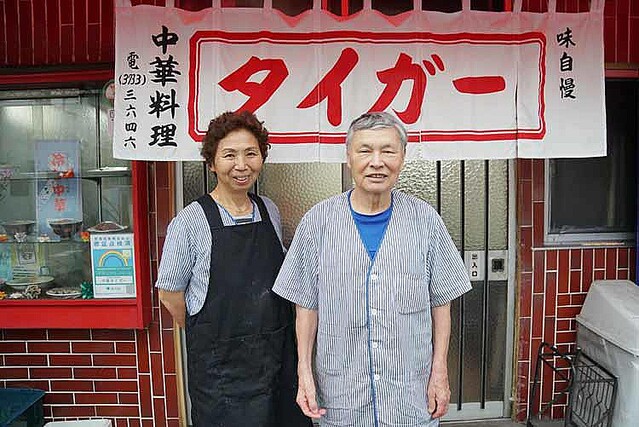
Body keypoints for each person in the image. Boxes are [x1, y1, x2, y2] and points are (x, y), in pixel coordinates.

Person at [273, 112, 472, 426]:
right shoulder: (318, 222)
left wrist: (440, 372)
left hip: (409, 393)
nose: (376, 162)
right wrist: (304, 374)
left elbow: (441, 302)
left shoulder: (425, 221)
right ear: (349, 156)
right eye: (365, 150)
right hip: (343, 393)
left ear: (402, 158)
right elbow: (306, 306)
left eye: (388, 151)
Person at [155, 111, 311, 427]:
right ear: (212, 163)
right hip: (221, 373)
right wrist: (208, 330)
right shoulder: (191, 221)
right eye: (229, 155)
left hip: (275, 361)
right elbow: (170, 294)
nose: (241, 165)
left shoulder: (269, 210)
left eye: (250, 154)